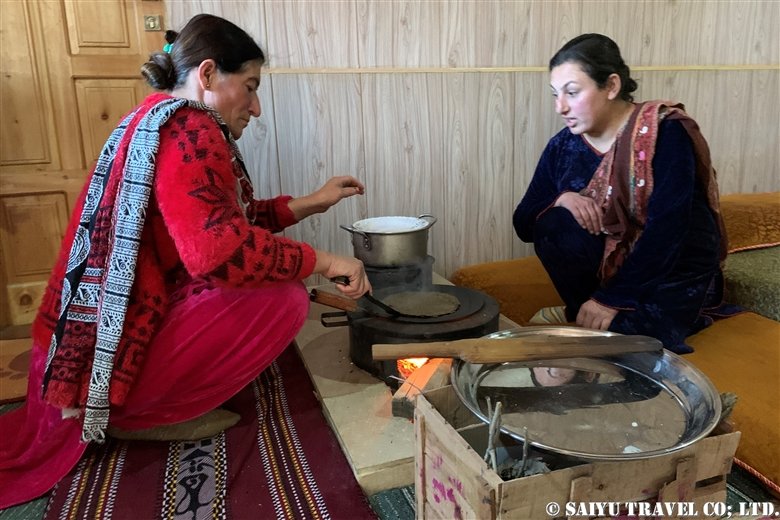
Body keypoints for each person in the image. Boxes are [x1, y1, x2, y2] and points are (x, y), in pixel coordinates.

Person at [0, 13, 371, 508]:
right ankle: (138, 414)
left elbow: (222, 221)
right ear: (210, 74)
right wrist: (324, 261)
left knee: (277, 274)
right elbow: (220, 250)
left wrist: (309, 203)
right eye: (251, 86)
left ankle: (143, 401)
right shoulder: (192, 130)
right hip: (104, 361)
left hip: (80, 343)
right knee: (282, 296)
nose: (256, 108)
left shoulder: (154, 116)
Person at [513, 33, 732, 354]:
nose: (560, 107)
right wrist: (561, 199)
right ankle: (584, 311)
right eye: (555, 94)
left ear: (612, 86)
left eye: (572, 93)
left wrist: (611, 299)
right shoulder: (562, 146)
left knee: (629, 348)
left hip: (671, 273)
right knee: (554, 223)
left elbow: (668, 230)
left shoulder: (666, 133)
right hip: (606, 275)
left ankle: (609, 316)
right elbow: (523, 224)